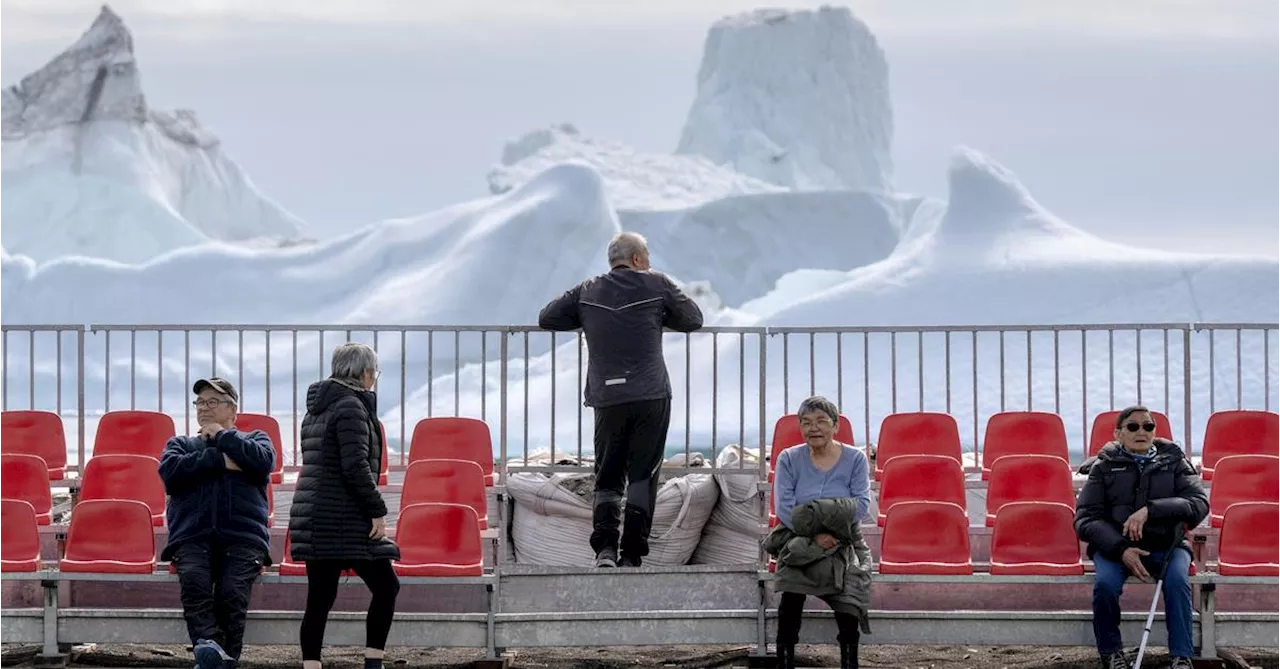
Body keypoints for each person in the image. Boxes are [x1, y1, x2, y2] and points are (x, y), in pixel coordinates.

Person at [537, 231, 704, 568]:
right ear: (639, 259)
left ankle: (604, 550)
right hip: (650, 394)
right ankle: (631, 554)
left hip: (608, 396)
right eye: (648, 257)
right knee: (643, 475)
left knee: (609, 474)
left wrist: (587, 318)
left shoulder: (588, 289)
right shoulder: (656, 283)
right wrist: (659, 316)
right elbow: (693, 319)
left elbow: (547, 317)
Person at [288, 343, 401, 669]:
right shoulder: (351, 406)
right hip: (341, 516)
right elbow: (354, 466)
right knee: (387, 585)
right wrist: (377, 508)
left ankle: (312, 665)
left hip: (313, 514)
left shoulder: (317, 409)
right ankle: (373, 663)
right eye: (374, 373)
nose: (374, 379)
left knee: (320, 598)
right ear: (365, 373)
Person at [1075, 405, 1208, 669]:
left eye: (1148, 426)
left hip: (1167, 545)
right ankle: (1111, 653)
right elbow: (1086, 519)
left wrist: (1151, 510)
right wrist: (1121, 548)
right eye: (1133, 426)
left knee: (1177, 582)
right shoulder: (1103, 467)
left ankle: (1182, 657)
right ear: (1118, 434)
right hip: (1115, 549)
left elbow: (1198, 504)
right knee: (1105, 587)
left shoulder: (1175, 462)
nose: (1141, 431)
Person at [159, 378, 276, 669]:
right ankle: (214, 654)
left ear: (232, 410)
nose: (204, 408)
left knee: (231, 592)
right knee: (195, 585)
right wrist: (219, 459)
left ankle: (215, 657)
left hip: (244, 537)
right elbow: (170, 473)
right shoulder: (180, 444)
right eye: (200, 402)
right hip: (191, 537)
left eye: (213, 402)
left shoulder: (256, 439)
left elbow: (262, 463)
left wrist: (224, 438)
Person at [765, 396, 872, 669]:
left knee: (848, 593)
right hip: (798, 536)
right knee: (791, 593)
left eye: (822, 422)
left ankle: (850, 663)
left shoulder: (855, 459)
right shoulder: (789, 459)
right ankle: (785, 662)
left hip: (844, 539)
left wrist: (819, 518)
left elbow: (861, 506)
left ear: (835, 426)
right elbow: (786, 509)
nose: (814, 428)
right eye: (806, 423)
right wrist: (815, 533)